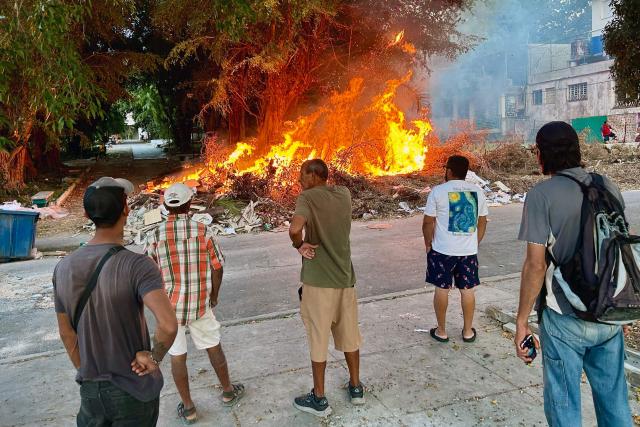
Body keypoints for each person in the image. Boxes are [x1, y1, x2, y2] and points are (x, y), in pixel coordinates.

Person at [515, 121, 632, 426]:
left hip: (566, 317)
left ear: (542, 154)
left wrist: (521, 320)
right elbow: (620, 248)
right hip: (610, 311)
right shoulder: (609, 185)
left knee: (564, 405)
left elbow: (536, 265)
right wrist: (624, 307)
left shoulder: (542, 195)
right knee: (615, 402)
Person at [54, 177, 178, 427]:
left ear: (87, 214)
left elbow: (67, 334)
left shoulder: (63, 267)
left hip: (91, 393)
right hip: (132, 390)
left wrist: (89, 374)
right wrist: (154, 357)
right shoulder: (138, 265)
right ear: (126, 209)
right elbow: (168, 325)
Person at [144, 182, 244, 425]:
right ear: (190, 205)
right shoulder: (203, 231)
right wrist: (214, 296)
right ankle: (228, 391)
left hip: (170, 310)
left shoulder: (154, 236)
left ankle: (189, 408)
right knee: (214, 347)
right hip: (200, 304)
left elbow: (148, 275)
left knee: (178, 356)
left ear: (165, 206)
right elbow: (218, 266)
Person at [289, 159, 364, 417]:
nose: (299, 179)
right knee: (350, 335)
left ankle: (319, 398)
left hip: (318, 282)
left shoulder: (306, 198)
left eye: (301, 174)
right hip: (345, 278)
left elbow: (295, 228)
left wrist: (298, 245)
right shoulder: (344, 194)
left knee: (318, 339)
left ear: (313, 175)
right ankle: (356, 388)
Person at [422, 155, 488, 343]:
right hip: (467, 252)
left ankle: (441, 331)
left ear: (449, 171)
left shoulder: (438, 191)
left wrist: (428, 243)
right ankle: (468, 331)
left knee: (442, 289)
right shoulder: (477, 192)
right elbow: (482, 221)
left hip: (442, 250)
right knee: (467, 290)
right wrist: (475, 242)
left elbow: (428, 222)